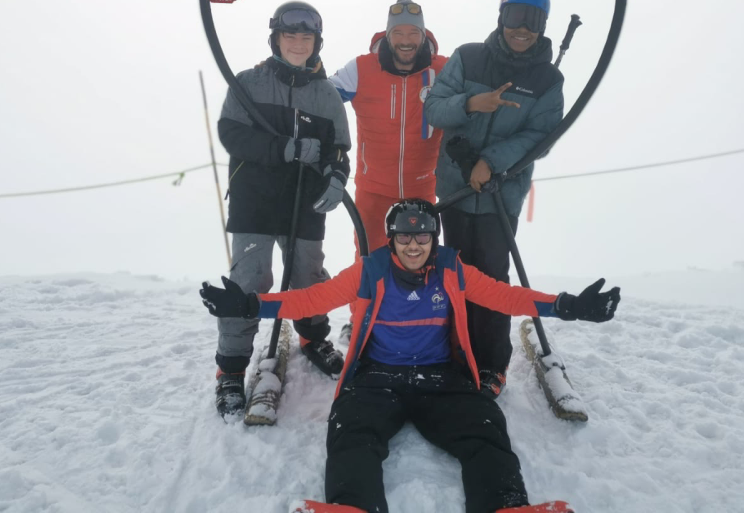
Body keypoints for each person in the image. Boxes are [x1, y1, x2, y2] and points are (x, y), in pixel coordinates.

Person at [200, 198, 620, 513]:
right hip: (376, 378)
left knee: (485, 429)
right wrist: (251, 305)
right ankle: (352, 506)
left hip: (441, 379)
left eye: (423, 236)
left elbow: (504, 296)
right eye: (405, 236)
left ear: (434, 239)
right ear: (392, 238)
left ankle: (506, 506)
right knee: (352, 434)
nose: (414, 244)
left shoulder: (452, 269)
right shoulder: (370, 270)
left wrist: (566, 305)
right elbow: (310, 299)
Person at [423, 0, 564, 400]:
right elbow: (434, 107)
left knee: (492, 275)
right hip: (454, 187)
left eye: (532, 21)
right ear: (501, 18)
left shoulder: (547, 79)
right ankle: (453, 350)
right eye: (515, 17)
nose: (522, 29)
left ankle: (490, 363)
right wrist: (472, 103)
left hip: (501, 194)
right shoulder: (469, 57)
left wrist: (494, 161)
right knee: (454, 272)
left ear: (542, 26)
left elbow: (542, 135)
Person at [214, 0, 351, 417]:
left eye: (306, 37)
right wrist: (284, 148)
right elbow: (230, 133)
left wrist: (336, 178)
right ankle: (232, 371)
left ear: (316, 42)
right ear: (275, 38)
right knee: (249, 280)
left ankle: (313, 338)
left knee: (307, 277)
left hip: (305, 204)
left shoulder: (326, 95)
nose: (297, 43)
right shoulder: (248, 82)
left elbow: (339, 149)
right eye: (289, 35)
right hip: (255, 200)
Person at [328, 0, 448, 342]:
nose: (407, 40)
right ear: (389, 34)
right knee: (368, 256)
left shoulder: (442, 69)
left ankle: (416, 319)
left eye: (414, 32)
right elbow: (323, 97)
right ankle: (360, 318)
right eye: (400, 33)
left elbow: (473, 97)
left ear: (423, 35)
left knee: (418, 256)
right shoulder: (362, 68)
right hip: (373, 186)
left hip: (422, 186)